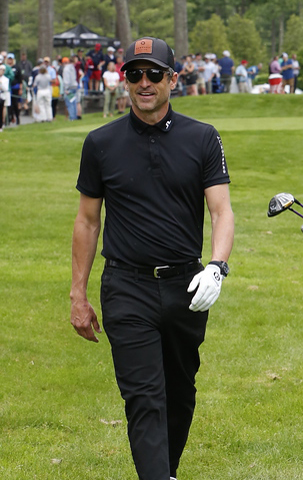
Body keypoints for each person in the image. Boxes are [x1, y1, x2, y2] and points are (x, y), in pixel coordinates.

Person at [69, 36, 234, 480]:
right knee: (144, 397)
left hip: (186, 286)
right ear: (125, 81)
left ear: (172, 80)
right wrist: (77, 294)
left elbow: (221, 211)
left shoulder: (202, 138)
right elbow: (87, 222)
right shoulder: (100, 143)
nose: (144, 83)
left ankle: (166, 472)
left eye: (154, 74)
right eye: (135, 74)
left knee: (179, 394)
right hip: (127, 286)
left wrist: (217, 266)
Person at [0, 64, 8, 131]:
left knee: (1, 111)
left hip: (2, 96)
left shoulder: (5, 79)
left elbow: (5, 89)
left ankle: (1, 125)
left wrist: (1, 83)